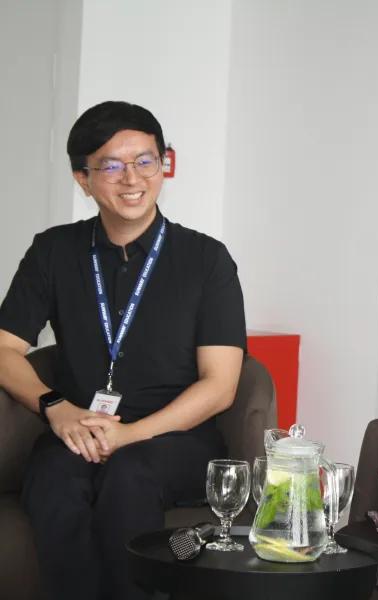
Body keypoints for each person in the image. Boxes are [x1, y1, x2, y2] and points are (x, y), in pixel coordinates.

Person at [0, 101, 246, 600]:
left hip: (174, 435)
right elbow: (4, 348)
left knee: (129, 474)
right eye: (110, 165)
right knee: (53, 477)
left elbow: (220, 387)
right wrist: (57, 409)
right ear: (82, 178)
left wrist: (131, 434)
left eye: (145, 161)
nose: (131, 178)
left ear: (165, 165)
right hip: (80, 426)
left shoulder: (207, 260)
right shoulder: (54, 251)